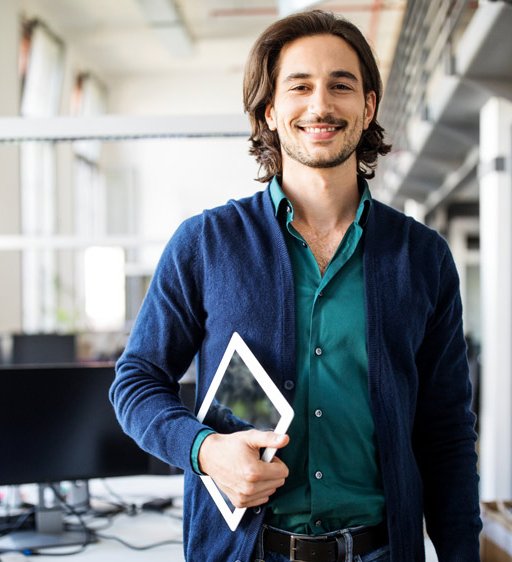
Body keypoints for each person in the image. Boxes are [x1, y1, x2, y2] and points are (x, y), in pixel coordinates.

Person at [111, 9, 480, 562]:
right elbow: (135, 383)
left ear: (369, 105)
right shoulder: (207, 244)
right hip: (248, 552)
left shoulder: (422, 257)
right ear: (271, 110)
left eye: (341, 86)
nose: (321, 105)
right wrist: (205, 450)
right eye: (300, 87)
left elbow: (446, 432)